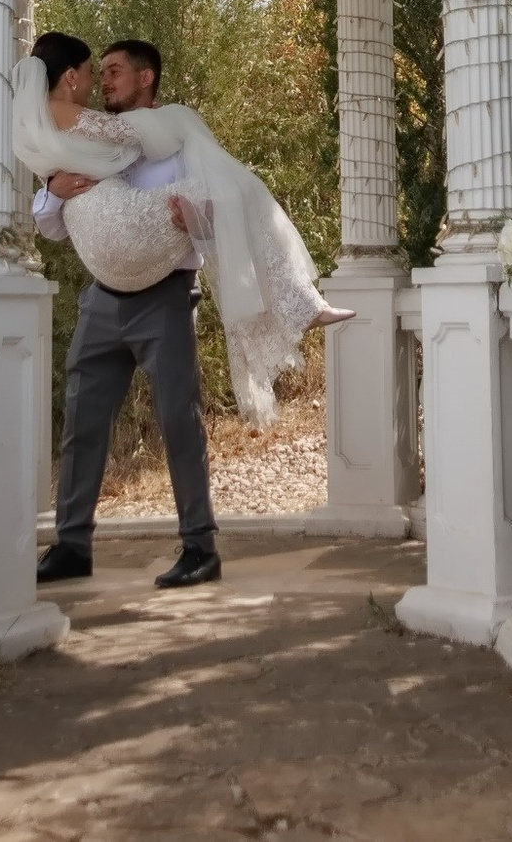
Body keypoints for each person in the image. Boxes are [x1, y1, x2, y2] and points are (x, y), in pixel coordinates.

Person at [18, 33, 350, 589]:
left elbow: (219, 214)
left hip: (166, 297)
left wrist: (188, 217)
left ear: (146, 78)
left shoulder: (178, 141)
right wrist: (55, 186)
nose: (104, 82)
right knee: (82, 422)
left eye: (115, 71)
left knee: (180, 420)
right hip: (102, 299)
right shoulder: (101, 143)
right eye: (99, 73)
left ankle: (200, 547)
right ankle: (72, 545)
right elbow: (50, 226)